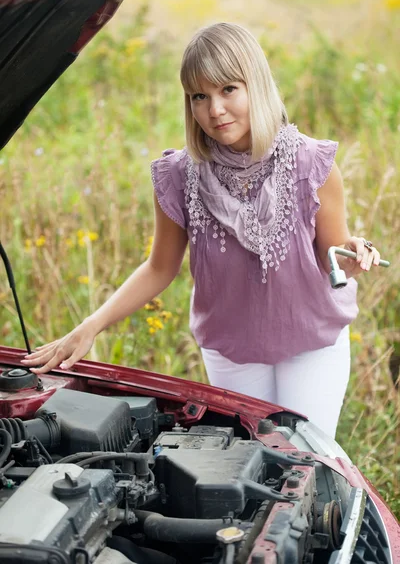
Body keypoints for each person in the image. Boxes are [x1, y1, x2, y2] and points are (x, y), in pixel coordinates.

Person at [23, 22, 382, 438]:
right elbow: (159, 269)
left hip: (311, 343)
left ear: (257, 86)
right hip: (232, 350)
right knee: (253, 459)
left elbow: (332, 253)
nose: (215, 110)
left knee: (309, 459)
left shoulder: (312, 163)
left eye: (229, 89)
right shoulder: (178, 175)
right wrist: (89, 327)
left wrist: (353, 252)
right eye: (199, 96)